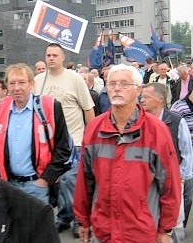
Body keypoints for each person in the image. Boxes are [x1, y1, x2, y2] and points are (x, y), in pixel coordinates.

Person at [74, 64, 181, 243]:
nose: (117, 88)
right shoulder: (94, 129)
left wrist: (165, 229)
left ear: (138, 90)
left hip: (141, 232)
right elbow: (85, 180)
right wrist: (83, 220)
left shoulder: (156, 130)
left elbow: (169, 184)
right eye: (112, 83)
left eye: (124, 84)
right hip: (103, 232)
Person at [34, 43, 95, 236]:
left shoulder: (74, 79)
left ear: (62, 57)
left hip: (74, 141)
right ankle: (64, 216)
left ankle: (78, 219)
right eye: (48, 55)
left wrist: (90, 138)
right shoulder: (38, 80)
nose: (51, 58)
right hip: (48, 143)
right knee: (57, 183)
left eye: (54, 55)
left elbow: (88, 109)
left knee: (72, 181)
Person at [0, 63, 71, 205]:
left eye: (22, 82)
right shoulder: (1, 108)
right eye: (12, 83)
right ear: (7, 86)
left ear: (31, 83)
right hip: (10, 184)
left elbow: (63, 147)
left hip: (37, 185)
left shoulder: (50, 107)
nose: (17, 88)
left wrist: (45, 180)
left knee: (39, 226)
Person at [141, 82, 193, 243]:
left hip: (173, 180)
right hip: (146, 181)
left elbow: (186, 150)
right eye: (141, 97)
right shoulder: (138, 121)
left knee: (174, 221)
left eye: (146, 97)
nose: (141, 100)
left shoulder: (176, 121)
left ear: (160, 99)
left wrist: (182, 177)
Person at [171, 89, 193, 229]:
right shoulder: (179, 107)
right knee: (186, 197)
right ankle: (179, 228)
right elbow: (173, 134)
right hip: (186, 158)